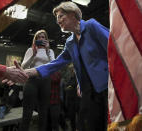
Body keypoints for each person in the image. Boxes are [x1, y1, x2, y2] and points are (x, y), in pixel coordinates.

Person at [24, 2, 109, 131]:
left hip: (107, 88)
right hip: (88, 93)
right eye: (57, 18)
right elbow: (55, 64)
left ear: (73, 14)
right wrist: (29, 72)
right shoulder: (70, 42)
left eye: (61, 16)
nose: (58, 21)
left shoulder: (91, 26)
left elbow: (114, 48)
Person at [20, 29, 55, 131]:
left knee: (43, 111)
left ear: (46, 40)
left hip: (45, 80)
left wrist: (48, 51)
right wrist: (33, 55)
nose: (41, 39)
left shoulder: (50, 51)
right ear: (35, 40)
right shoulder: (30, 50)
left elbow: (54, 65)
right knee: (27, 111)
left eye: (43, 37)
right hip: (31, 80)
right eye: (38, 37)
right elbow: (23, 66)